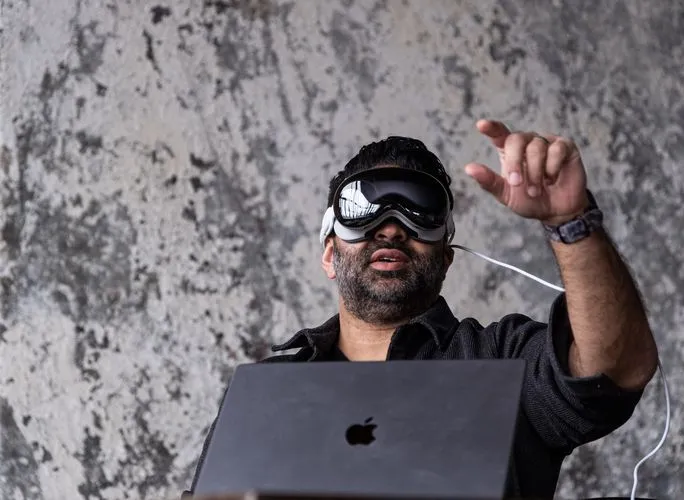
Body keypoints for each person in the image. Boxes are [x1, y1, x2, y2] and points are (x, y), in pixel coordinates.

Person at [185, 119, 659, 499]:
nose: (391, 228)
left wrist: (571, 222)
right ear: (330, 255)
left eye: (418, 211)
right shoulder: (267, 393)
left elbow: (616, 369)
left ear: (446, 258)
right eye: (364, 208)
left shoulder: (503, 361)